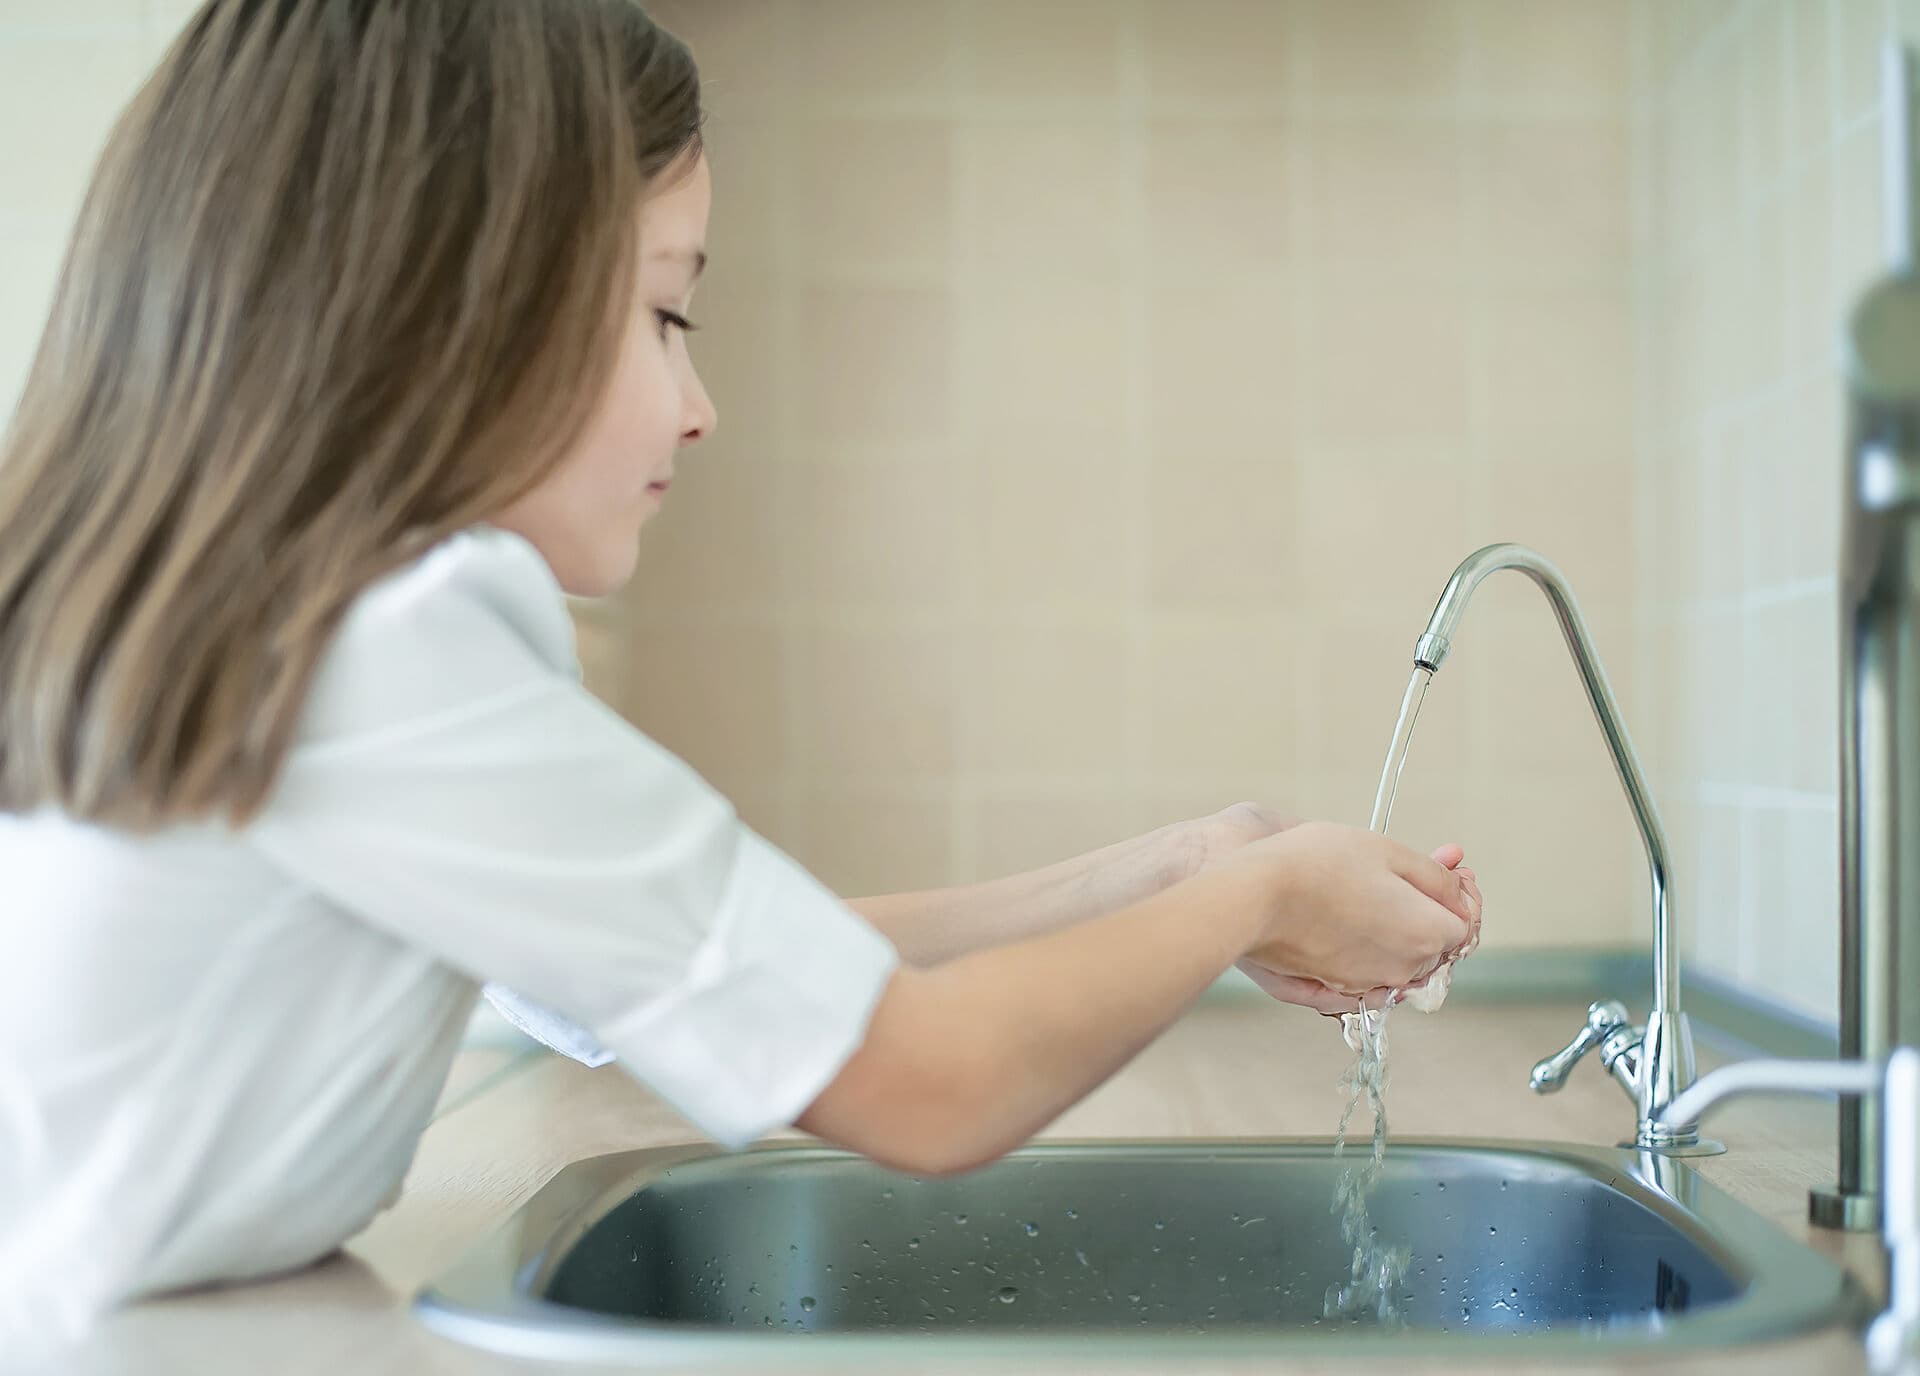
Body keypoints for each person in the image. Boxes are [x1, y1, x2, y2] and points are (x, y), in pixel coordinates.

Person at [0, 0, 1482, 1345]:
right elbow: (931, 1081)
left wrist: (1173, 870)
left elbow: (753, 951)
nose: (699, 408)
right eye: (665, 312)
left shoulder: (278, 624)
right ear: (453, 299)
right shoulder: (392, 642)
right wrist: (1267, 894)